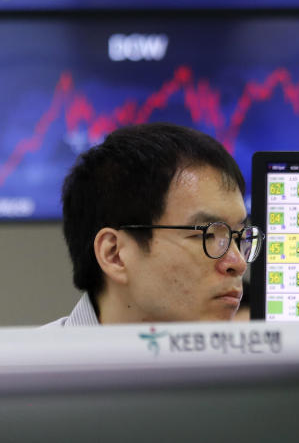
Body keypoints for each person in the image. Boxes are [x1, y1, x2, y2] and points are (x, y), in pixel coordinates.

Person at [46, 123, 262, 326]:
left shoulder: (260, 364)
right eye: (208, 235)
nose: (239, 263)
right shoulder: (26, 364)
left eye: (239, 237)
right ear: (115, 254)